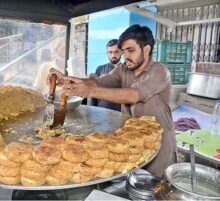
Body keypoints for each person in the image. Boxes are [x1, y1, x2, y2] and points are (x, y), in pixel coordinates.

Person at [48, 24, 176, 177]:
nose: (125, 55)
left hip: (158, 142)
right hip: (133, 138)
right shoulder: (123, 69)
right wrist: (66, 79)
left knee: (156, 188)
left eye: (131, 50)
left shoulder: (160, 72)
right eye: (124, 51)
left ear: (146, 50)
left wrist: (90, 92)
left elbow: (133, 95)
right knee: (133, 184)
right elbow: (98, 82)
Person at [90, 39, 121, 111]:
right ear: (107, 53)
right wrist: (93, 110)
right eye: (110, 52)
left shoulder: (127, 70)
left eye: (116, 52)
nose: (113, 55)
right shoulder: (100, 69)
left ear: (121, 52)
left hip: (120, 113)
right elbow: (94, 92)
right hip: (101, 111)